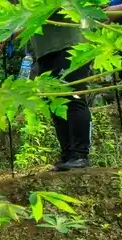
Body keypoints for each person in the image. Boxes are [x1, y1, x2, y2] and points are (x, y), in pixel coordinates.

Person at [29, 12, 91, 171]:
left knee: (72, 95)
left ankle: (79, 155)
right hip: (44, 50)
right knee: (54, 102)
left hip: (72, 42)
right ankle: (67, 154)